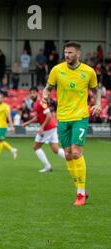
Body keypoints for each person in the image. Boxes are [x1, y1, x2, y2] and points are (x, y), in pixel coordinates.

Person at [42, 41, 101, 206]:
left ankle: (80, 194)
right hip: (62, 118)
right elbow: (48, 88)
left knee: (76, 152)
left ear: (78, 54)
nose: (67, 55)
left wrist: (98, 104)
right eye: (65, 52)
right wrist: (45, 95)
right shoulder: (57, 70)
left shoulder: (88, 72)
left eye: (70, 52)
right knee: (67, 154)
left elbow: (96, 92)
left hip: (80, 117)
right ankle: (80, 188)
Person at [22, 87, 65, 172]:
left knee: (36, 147)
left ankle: (47, 166)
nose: (32, 94)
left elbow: (49, 116)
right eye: (31, 93)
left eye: (34, 92)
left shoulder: (42, 102)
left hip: (47, 128)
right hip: (52, 127)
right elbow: (38, 117)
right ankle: (73, 160)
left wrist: (41, 127)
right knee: (55, 150)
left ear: (37, 93)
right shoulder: (36, 103)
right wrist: (28, 122)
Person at [0, 93, 18, 161]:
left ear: (3, 99)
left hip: (2, 126)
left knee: (0, 141)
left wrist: (12, 126)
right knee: (0, 141)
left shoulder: (6, 106)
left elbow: (9, 117)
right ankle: (12, 150)